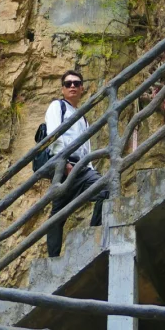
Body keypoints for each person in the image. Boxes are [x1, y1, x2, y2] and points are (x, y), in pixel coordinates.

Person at [42, 70, 105, 258]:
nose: (72, 86)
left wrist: (89, 170)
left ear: (81, 88)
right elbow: (53, 135)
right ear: (62, 89)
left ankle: (94, 232)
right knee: (57, 216)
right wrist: (64, 163)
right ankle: (52, 258)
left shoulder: (82, 117)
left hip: (82, 169)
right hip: (64, 167)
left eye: (76, 83)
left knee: (106, 188)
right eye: (68, 83)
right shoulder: (57, 106)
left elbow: (86, 149)